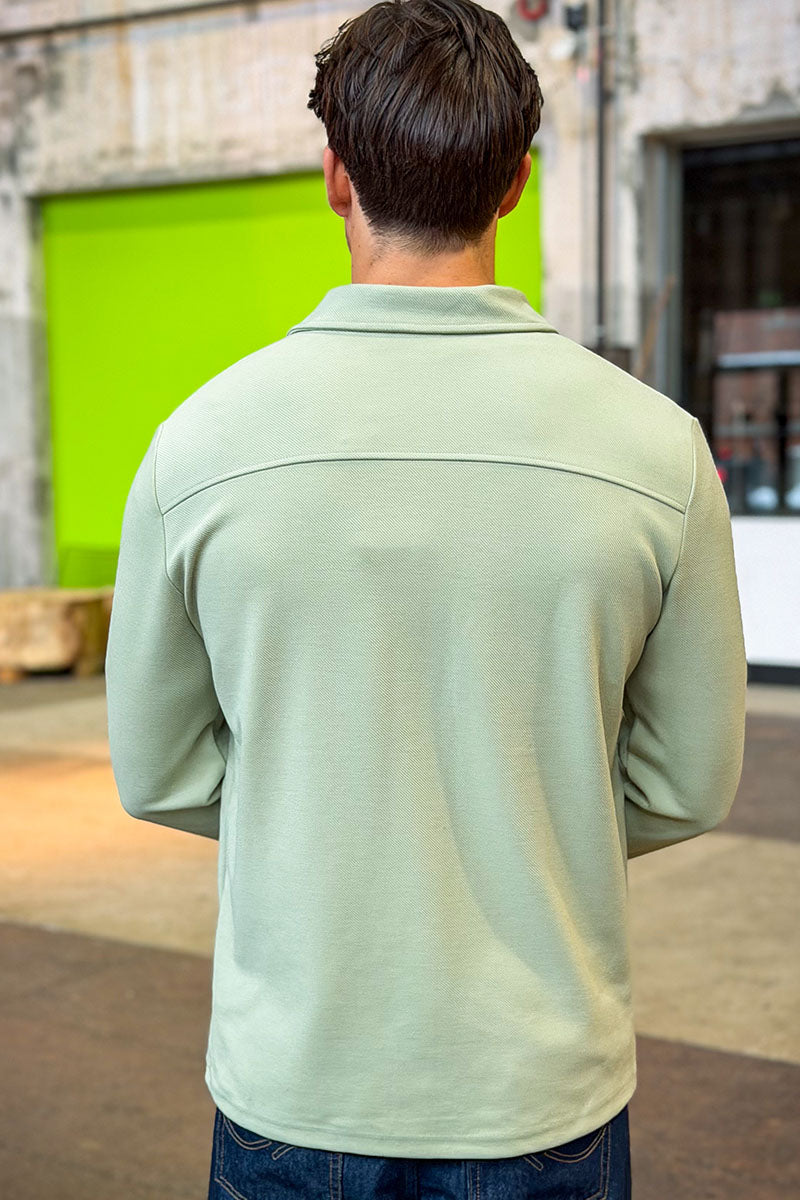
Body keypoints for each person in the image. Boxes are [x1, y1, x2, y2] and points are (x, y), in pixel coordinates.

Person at [103, 1, 748, 1197]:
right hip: (537, 1086)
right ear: (514, 184)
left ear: (334, 177)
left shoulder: (198, 446)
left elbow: (158, 770)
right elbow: (687, 780)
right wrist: (537, 815)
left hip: (296, 1078)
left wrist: (317, 817)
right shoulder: (656, 451)